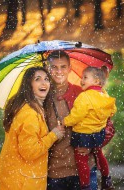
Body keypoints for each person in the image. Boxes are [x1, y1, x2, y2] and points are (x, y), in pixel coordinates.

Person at [0, 67, 65, 190]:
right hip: (21, 182)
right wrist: (54, 135)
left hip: (15, 178)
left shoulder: (31, 109)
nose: (43, 83)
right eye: (37, 79)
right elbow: (30, 152)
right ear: (29, 84)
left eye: (46, 79)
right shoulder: (30, 114)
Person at [46, 51, 99, 190]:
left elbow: (106, 126)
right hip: (54, 173)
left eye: (63, 67)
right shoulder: (42, 97)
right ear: (47, 68)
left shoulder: (83, 94)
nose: (59, 71)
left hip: (85, 169)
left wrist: (91, 144)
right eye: (54, 67)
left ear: (69, 68)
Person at [62, 66, 117, 190]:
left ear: (97, 81)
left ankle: (85, 186)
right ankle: (106, 179)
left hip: (83, 134)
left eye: (85, 77)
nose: (82, 80)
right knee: (99, 154)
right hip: (98, 134)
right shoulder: (104, 94)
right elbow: (113, 110)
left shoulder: (84, 96)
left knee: (81, 160)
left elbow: (76, 116)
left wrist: (65, 122)